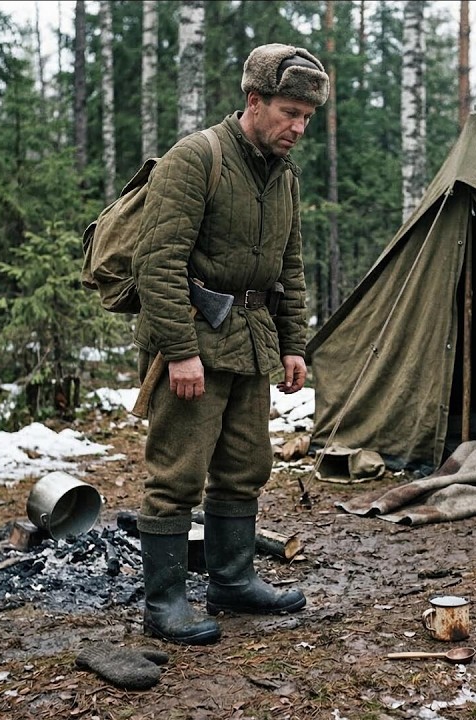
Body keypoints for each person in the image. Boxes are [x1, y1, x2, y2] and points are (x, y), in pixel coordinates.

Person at [129, 43, 328, 645]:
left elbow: (289, 267)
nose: (298, 128)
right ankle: (164, 605)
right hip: (194, 340)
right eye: (290, 113)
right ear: (254, 101)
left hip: (252, 341)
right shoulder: (197, 158)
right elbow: (157, 261)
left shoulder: (283, 176)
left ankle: (233, 581)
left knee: (245, 469)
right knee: (177, 475)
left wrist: (293, 344)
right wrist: (180, 350)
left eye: (307, 118)